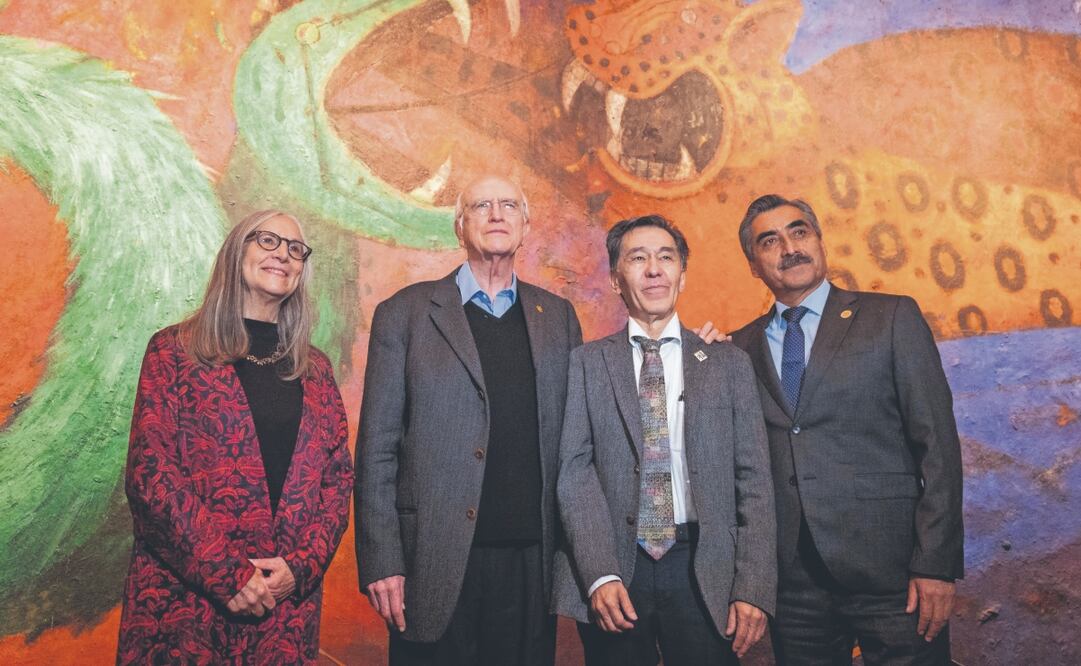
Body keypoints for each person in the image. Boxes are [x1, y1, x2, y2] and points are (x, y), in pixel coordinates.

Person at [354, 175, 582, 665]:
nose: (496, 214)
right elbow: (376, 449)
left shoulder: (558, 317)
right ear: (460, 227)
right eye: (481, 206)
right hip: (431, 558)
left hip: (531, 562)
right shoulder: (406, 314)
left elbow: (580, 442)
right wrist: (383, 559)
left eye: (508, 205)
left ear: (525, 226)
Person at [729, 195, 964, 665]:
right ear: (754, 265)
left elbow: (938, 446)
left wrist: (935, 564)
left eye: (799, 232)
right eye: (769, 241)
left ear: (819, 240)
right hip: (793, 584)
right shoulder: (737, 349)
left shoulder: (891, 317)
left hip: (895, 574)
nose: (789, 248)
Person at [117, 210, 354, 664]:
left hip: (283, 612)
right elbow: (151, 476)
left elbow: (337, 481)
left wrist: (299, 568)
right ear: (236, 252)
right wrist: (228, 574)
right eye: (267, 241)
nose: (282, 254)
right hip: (186, 608)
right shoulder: (174, 351)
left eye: (295, 249)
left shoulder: (316, 368)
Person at [553, 214, 776, 666]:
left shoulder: (727, 364)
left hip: (704, 567)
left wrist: (753, 586)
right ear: (617, 280)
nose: (654, 269)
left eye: (666, 257)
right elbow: (574, 474)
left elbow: (754, 480)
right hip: (617, 567)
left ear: (682, 275)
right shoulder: (586, 364)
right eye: (638, 258)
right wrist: (598, 574)